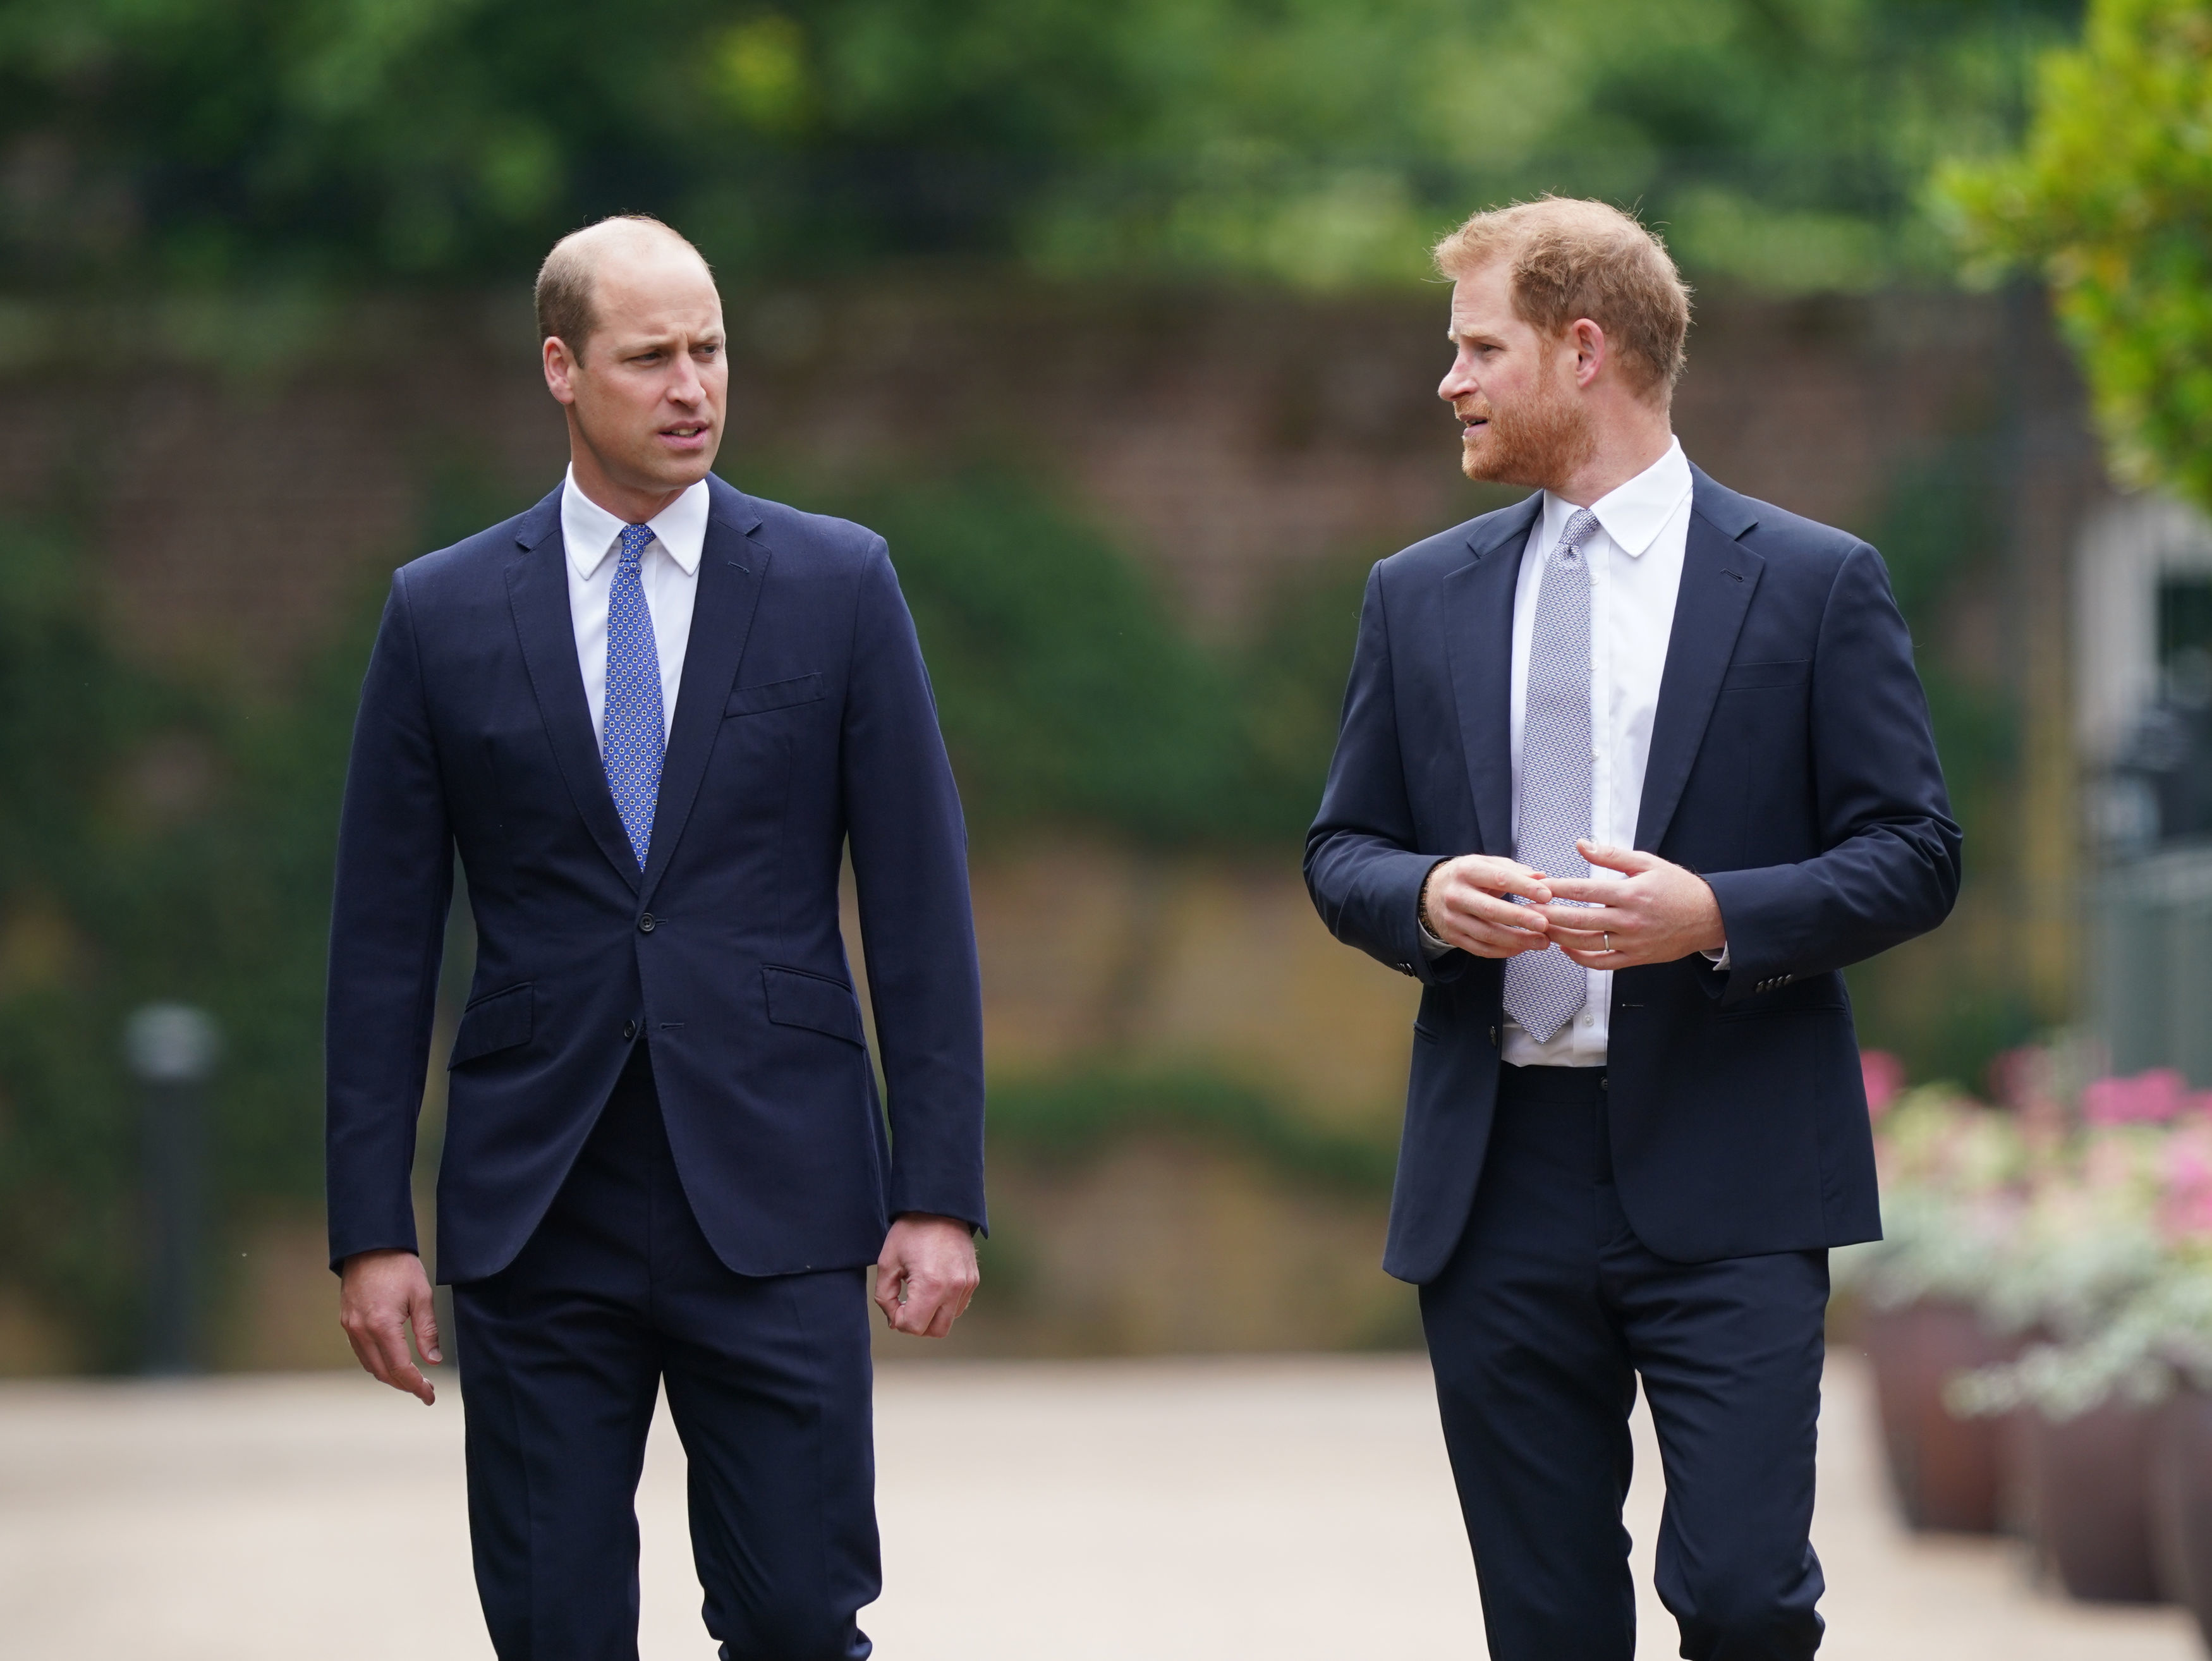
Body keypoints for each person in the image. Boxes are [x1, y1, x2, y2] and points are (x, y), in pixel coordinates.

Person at [1305, 198, 1960, 1659]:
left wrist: (1716, 914)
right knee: (1544, 1622)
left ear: (1581, 349)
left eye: (1479, 347)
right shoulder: (1416, 598)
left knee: (1740, 1598)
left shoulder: (1810, 580)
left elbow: (1916, 855)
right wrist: (1419, 897)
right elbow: (1338, 848)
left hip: (1733, 1165)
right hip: (1497, 1179)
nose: (1450, 381)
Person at [324, 215, 986, 1660]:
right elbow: (380, 940)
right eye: (651, 358)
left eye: (711, 350)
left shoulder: (836, 583)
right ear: (562, 369)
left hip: (782, 1196)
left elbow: (924, 907)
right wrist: (372, 1226)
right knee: (554, 1629)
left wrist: (938, 1191)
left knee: (800, 1622)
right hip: (535, 1204)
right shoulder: (438, 613)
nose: (693, 386)